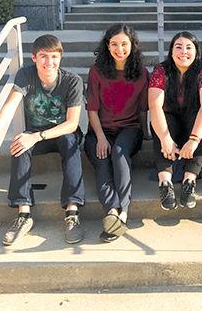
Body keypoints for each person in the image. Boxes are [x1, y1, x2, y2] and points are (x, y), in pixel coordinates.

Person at [0, 34, 85, 246]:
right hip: (36, 133)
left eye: (54, 56)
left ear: (61, 57)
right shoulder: (25, 76)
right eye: (44, 56)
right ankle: (23, 214)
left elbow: (72, 124)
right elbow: (9, 106)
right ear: (34, 58)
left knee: (70, 142)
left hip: (61, 132)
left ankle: (72, 212)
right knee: (20, 144)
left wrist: (37, 136)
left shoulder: (72, 81)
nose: (50, 62)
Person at [85, 24, 149, 242]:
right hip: (99, 130)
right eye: (114, 44)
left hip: (129, 128)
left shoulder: (141, 73)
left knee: (119, 152)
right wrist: (101, 138)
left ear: (132, 45)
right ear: (107, 45)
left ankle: (123, 211)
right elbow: (91, 109)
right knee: (102, 161)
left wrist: (146, 132)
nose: (119, 49)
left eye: (124, 44)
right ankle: (113, 212)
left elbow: (142, 109)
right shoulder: (96, 71)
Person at [148, 31, 202, 210]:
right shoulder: (160, 71)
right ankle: (165, 183)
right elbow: (155, 107)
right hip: (169, 123)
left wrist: (194, 140)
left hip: (193, 124)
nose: (183, 52)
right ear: (171, 51)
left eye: (189, 47)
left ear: (196, 52)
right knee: (161, 123)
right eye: (178, 47)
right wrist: (165, 139)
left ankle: (189, 181)